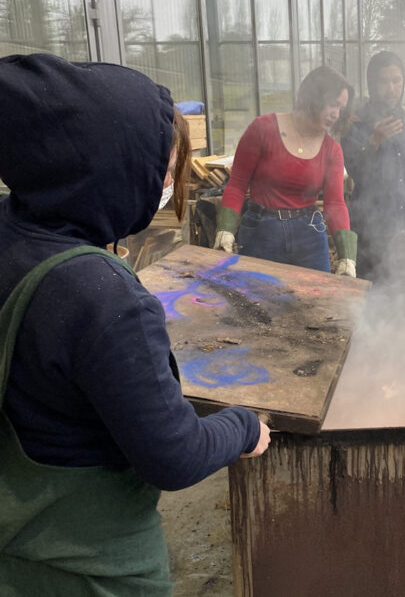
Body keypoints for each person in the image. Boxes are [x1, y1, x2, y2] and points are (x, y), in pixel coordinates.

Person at [0, 53, 270, 593]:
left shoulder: (12, 232)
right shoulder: (101, 298)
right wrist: (242, 427)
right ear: (110, 165)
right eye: (163, 167)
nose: (167, 182)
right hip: (91, 571)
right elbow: (173, 455)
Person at [214, 66, 357, 277]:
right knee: (257, 303)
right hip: (261, 231)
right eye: (333, 104)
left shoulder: (332, 150)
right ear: (314, 96)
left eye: (341, 108)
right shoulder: (262, 129)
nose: (336, 114)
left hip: (309, 235)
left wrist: (347, 256)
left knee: (317, 305)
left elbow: (335, 203)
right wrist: (225, 229)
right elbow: (237, 184)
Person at [341, 51, 405, 284]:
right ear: (371, 84)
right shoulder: (356, 121)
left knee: (401, 294)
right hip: (368, 228)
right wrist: (373, 141)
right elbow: (352, 170)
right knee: (370, 296)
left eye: (397, 81)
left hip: (401, 227)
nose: (391, 88)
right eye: (384, 81)